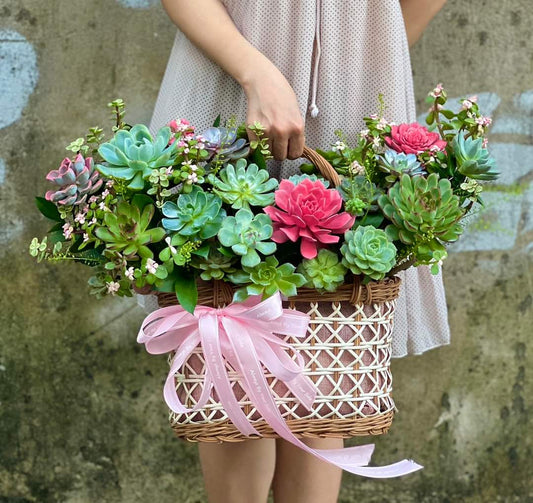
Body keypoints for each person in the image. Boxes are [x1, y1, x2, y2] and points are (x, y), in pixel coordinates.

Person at [144, 1, 448, 502]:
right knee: (229, 346)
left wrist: (365, 49)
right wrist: (255, 70)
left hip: (352, 76)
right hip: (231, 57)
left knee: (327, 346)